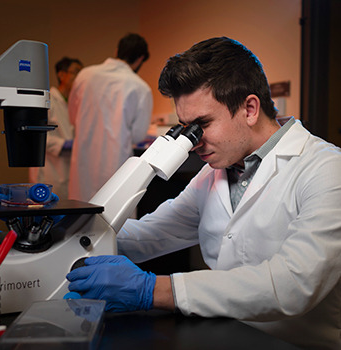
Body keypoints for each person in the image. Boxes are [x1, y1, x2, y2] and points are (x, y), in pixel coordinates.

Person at [66, 37, 341, 349]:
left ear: (250, 108)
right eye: (186, 127)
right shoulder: (214, 172)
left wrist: (153, 290)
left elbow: (294, 283)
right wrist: (66, 233)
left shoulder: (326, 170)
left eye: (202, 124)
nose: (193, 141)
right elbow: (149, 235)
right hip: (227, 334)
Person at [68, 33, 153, 202]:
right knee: (115, 219)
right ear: (140, 58)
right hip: (117, 166)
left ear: (116, 51)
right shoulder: (140, 88)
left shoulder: (85, 75)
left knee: (80, 218)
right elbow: (138, 135)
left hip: (83, 166)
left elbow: (72, 117)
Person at [29, 57, 83, 200]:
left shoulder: (75, 103)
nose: (78, 78)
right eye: (75, 72)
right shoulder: (47, 101)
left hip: (68, 168)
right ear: (61, 75)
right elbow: (34, 135)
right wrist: (62, 144)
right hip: (49, 168)